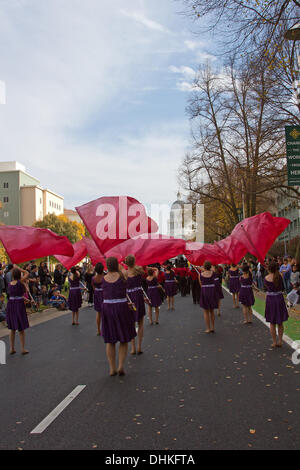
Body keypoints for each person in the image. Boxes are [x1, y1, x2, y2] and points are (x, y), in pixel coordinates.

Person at [101, 257, 137, 376]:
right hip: (121, 307)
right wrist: (120, 265)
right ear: (117, 265)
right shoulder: (122, 276)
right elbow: (126, 270)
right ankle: (121, 366)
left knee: (110, 340)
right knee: (124, 338)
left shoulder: (103, 279)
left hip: (108, 308)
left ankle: (112, 368)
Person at [124, 255, 146, 355]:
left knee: (131, 322)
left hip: (129, 296)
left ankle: (132, 347)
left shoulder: (125, 273)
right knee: (140, 322)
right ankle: (139, 346)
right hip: (138, 296)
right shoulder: (139, 270)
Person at [6, 265, 30, 355]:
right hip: (19, 305)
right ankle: (23, 348)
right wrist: (19, 268)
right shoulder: (20, 282)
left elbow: (15, 295)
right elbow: (27, 273)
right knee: (21, 328)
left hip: (11, 305)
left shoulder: (10, 284)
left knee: (12, 328)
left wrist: (26, 299)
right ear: (19, 275)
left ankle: (12, 348)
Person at [264, 261, 289, 348]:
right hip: (279, 299)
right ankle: (280, 341)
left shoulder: (266, 278)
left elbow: (265, 288)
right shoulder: (279, 277)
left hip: (270, 300)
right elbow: (282, 288)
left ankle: (274, 342)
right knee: (280, 322)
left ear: (269, 268)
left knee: (272, 322)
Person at [199, 261, 219, 334]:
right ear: (210, 266)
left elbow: (200, 284)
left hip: (204, 292)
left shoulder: (201, 275)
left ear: (204, 267)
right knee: (212, 311)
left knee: (206, 311)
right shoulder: (213, 274)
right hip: (212, 292)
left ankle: (208, 328)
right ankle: (213, 327)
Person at [92, 262, 105, 336]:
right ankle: (104, 329)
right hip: (103, 294)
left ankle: (98, 330)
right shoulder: (104, 277)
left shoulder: (93, 278)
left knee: (98, 312)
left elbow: (93, 287)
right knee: (104, 312)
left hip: (97, 294)